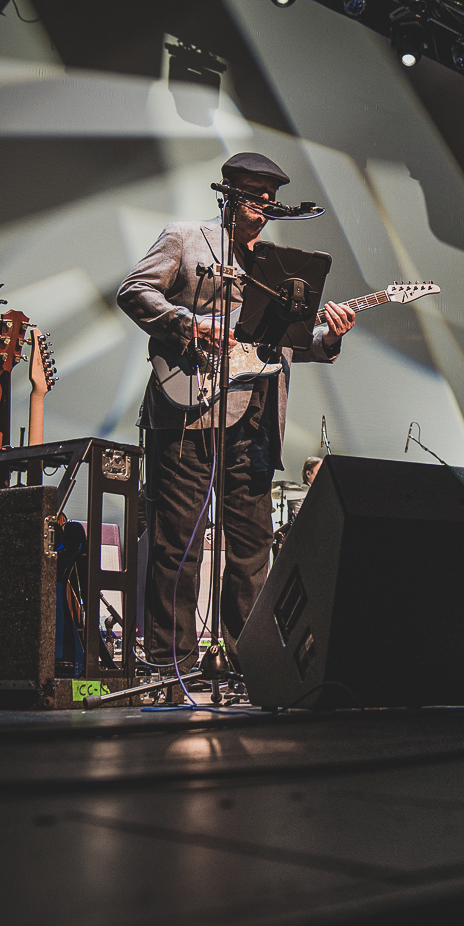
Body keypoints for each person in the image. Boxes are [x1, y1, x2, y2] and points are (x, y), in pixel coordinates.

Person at [118, 152, 355, 675]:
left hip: (259, 416)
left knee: (251, 548)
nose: (263, 210)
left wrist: (330, 334)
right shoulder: (185, 237)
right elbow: (134, 290)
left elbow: (291, 340)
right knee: (177, 541)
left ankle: (244, 660)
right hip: (188, 409)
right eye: (254, 199)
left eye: (269, 201)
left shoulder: (280, 263)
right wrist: (190, 325)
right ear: (228, 195)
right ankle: (169, 662)